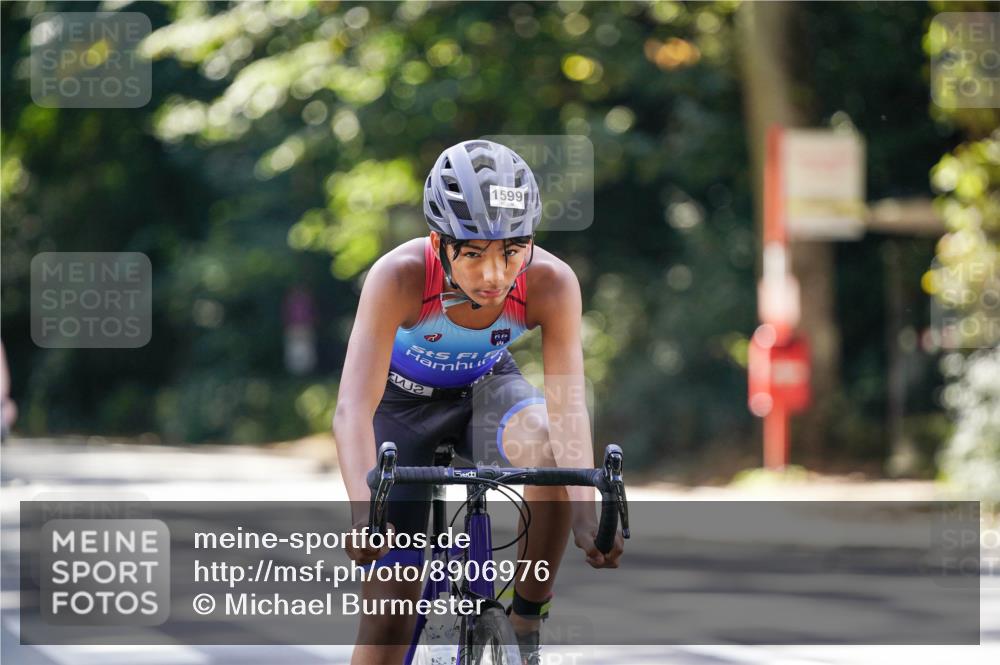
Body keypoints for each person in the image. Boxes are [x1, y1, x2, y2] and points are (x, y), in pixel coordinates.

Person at [333, 139, 624, 665]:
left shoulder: (551, 282)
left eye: (513, 250)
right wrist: (364, 512)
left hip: (487, 392)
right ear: (439, 243)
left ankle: (527, 618)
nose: (494, 274)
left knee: (547, 448)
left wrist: (586, 511)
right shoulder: (398, 277)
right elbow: (354, 406)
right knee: (387, 621)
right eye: (472, 253)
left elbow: (567, 406)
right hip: (400, 409)